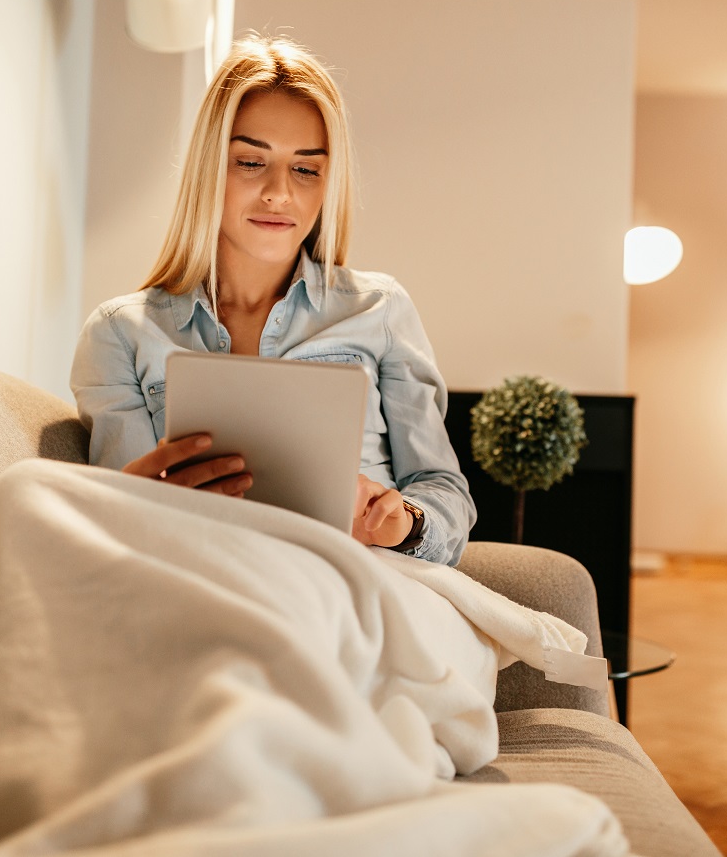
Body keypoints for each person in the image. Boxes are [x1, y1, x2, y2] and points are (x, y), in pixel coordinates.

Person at [70, 35, 476, 565]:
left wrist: (403, 522)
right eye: (250, 161)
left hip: (359, 578)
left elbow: (444, 490)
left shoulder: (381, 311)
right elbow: (129, 544)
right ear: (209, 167)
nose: (279, 193)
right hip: (207, 576)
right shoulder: (119, 335)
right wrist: (137, 504)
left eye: (306, 169)